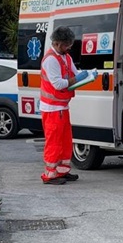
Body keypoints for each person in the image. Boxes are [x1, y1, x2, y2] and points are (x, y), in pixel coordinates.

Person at [40, 26, 81, 185]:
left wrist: (85, 76)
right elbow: (58, 84)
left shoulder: (65, 57)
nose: (69, 47)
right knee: (54, 142)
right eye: (66, 45)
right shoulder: (50, 60)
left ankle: (62, 171)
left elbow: (75, 73)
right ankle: (50, 175)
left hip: (61, 106)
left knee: (65, 141)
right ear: (57, 43)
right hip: (52, 108)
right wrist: (76, 80)